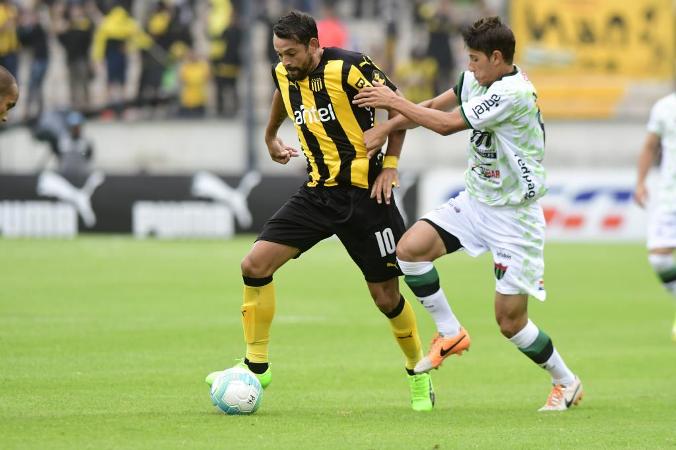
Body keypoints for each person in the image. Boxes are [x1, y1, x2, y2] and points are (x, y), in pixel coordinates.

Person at [207, 10, 435, 412]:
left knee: (385, 297)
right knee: (255, 265)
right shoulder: (285, 73)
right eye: (279, 54)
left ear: (314, 44)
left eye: (291, 53)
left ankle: (418, 372)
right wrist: (269, 134)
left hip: (367, 197)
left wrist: (392, 164)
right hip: (318, 192)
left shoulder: (350, 68)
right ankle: (257, 367)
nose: (285, 62)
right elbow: (282, 91)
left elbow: (401, 110)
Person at [353, 16, 583, 412]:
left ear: (497, 57)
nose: (470, 66)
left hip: (514, 216)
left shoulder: (513, 94)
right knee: (410, 250)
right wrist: (386, 128)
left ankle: (566, 381)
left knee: (510, 323)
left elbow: (444, 125)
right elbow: (430, 108)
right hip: (477, 201)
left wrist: (392, 102)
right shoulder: (474, 79)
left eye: (475, 59)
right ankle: (450, 332)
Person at [634, 91, 676, 341]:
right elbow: (650, 145)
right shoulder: (664, 107)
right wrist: (640, 182)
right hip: (670, 196)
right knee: (659, 259)